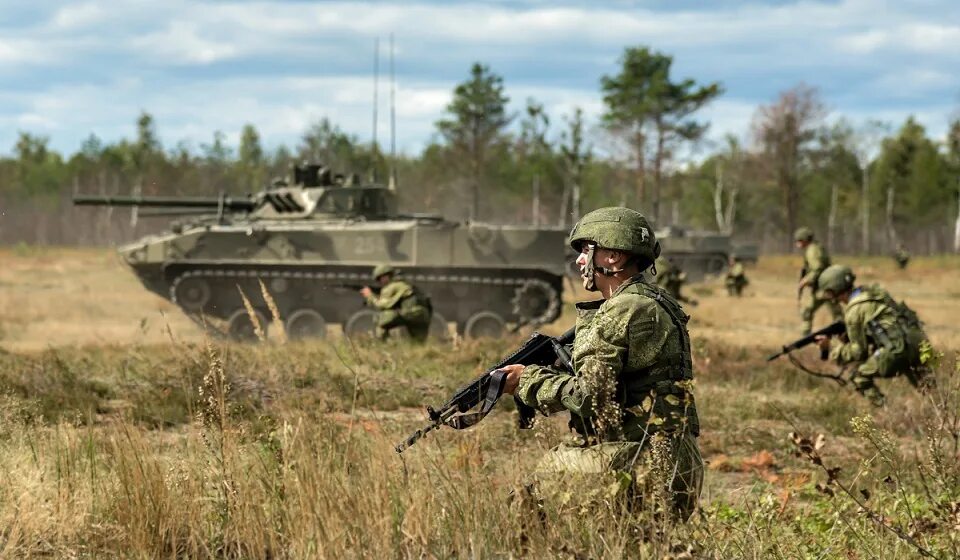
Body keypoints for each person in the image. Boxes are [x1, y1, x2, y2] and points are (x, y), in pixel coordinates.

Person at [497, 207, 702, 520]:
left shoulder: (620, 310)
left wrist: (527, 381)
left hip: (637, 466)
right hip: (680, 465)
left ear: (614, 258)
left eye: (585, 250)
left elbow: (588, 396)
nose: (580, 260)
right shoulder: (657, 301)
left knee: (524, 505)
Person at [814, 264, 932, 407]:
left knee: (858, 376)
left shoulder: (854, 311)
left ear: (834, 289)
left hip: (897, 350)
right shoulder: (874, 293)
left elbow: (859, 353)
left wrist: (832, 347)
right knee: (929, 389)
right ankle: (944, 416)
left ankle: (888, 413)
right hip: (918, 343)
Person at [359, 264, 432, 342]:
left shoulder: (391, 286)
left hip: (410, 313)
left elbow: (382, 305)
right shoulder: (406, 284)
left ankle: (386, 345)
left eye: (380, 279)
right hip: (423, 315)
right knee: (418, 343)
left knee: (380, 319)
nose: (380, 282)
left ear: (385, 276)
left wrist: (370, 296)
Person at [795, 227, 842, 335]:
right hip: (821, 288)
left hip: (825, 288)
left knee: (837, 315)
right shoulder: (814, 248)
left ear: (804, 240)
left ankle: (847, 336)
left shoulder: (812, 250)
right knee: (807, 311)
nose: (797, 244)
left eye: (799, 240)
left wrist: (805, 281)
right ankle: (805, 337)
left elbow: (818, 268)